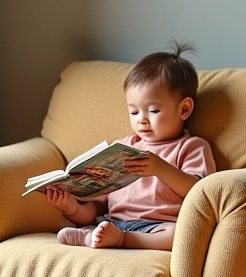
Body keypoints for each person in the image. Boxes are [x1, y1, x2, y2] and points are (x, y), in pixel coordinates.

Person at [47, 42, 216, 250]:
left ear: (184, 109)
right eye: (134, 112)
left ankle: (119, 240)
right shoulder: (121, 148)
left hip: (157, 226)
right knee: (82, 222)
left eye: (153, 111)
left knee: (179, 236)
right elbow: (97, 207)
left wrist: (160, 168)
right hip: (113, 221)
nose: (141, 121)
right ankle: (90, 237)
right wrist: (71, 207)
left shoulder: (192, 147)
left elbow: (200, 193)